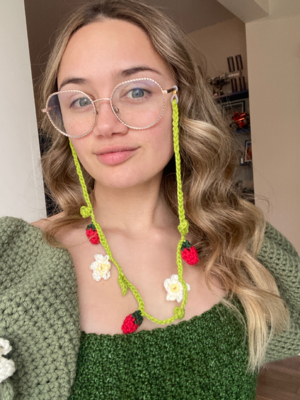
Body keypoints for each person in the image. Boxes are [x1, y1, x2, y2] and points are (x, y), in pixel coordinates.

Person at [0, 1, 299, 399]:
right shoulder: (17, 264)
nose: (106, 125)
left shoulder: (238, 240)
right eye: (79, 100)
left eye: (137, 90)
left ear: (181, 100)